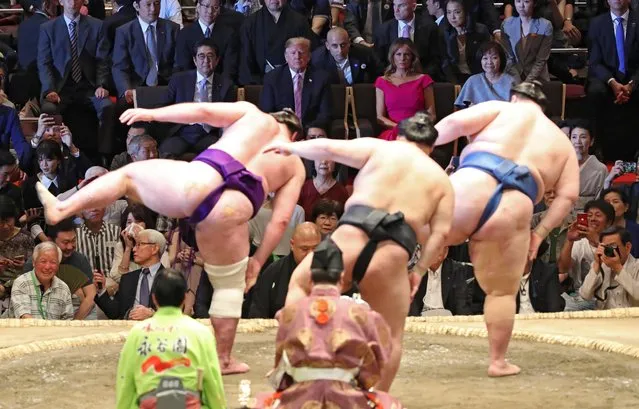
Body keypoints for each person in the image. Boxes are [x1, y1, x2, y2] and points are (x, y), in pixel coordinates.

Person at [38, 102, 306, 375]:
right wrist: (258, 261)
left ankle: (62, 208)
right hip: (233, 209)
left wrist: (152, 114)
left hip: (195, 182)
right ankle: (223, 359)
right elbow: (281, 220)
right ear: (295, 137)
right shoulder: (294, 163)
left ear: (273, 117)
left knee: (127, 177)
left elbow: (201, 113)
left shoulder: (252, 113)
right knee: (229, 287)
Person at [266, 112, 454, 391]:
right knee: (391, 337)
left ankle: (297, 356)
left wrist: (292, 147)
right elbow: (440, 236)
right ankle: (378, 399)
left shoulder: (381, 148)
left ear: (399, 135)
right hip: (391, 255)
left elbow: (328, 147)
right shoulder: (442, 181)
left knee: (300, 283)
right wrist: (418, 271)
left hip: (348, 239)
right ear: (430, 148)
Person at [432, 81, 579, 376]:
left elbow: (449, 126)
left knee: (412, 238)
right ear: (545, 108)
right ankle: (498, 361)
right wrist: (539, 234)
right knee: (500, 291)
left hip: (471, 185)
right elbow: (567, 198)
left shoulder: (499, 109)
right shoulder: (561, 142)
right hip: (514, 207)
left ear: (515, 97)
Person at [254, 239, 404, 408]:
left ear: (310, 279)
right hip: (347, 398)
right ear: (341, 279)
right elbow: (378, 361)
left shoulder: (287, 314)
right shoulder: (362, 314)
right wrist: (357, 382)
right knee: (391, 404)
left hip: (299, 397)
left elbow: (281, 364)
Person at [116, 268, 226, 408]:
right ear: (184, 298)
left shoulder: (137, 333)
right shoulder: (201, 333)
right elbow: (212, 383)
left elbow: (125, 383)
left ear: (154, 298)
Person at [375, 38, 435, 141]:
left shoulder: (424, 79)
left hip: (417, 131)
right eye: (398, 54)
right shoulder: (382, 81)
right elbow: (380, 118)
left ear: (412, 57)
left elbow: (431, 115)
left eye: (407, 54)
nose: (402, 58)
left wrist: (415, 129)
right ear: (392, 56)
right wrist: (400, 128)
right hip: (393, 130)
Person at [6, 241, 74, 319]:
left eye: (53, 262)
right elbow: (25, 317)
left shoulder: (63, 288)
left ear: (58, 265)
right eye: (43, 261)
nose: (47, 267)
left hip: (54, 331)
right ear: (34, 263)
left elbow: (67, 321)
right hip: (24, 330)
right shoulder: (21, 283)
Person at [579, 226, 639, 309]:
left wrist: (618, 268)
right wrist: (596, 265)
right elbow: (585, 295)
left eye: (613, 246)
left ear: (627, 247)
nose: (609, 250)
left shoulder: (637, 266)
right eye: (606, 247)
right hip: (605, 318)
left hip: (632, 319)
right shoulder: (600, 265)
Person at [454, 41, 520, 109]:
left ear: (501, 60)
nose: (489, 62)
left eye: (494, 58)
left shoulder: (511, 81)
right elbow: (462, 107)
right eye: (485, 58)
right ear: (480, 60)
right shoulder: (473, 80)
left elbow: (518, 109)